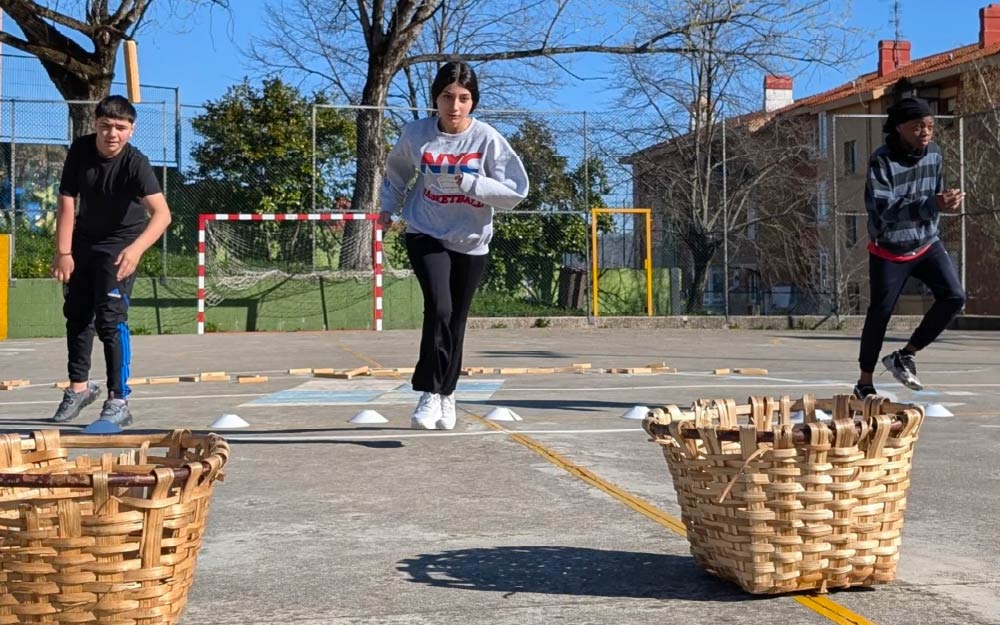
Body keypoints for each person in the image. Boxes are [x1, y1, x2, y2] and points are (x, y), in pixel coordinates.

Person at [379, 61, 529, 429]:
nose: (455, 106)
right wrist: (387, 207)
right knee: (440, 309)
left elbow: (515, 192)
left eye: (463, 98)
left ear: (473, 102)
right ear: (436, 98)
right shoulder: (417, 134)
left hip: (471, 239)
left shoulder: (487, 139)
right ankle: (430, 394)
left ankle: (448, 394)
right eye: (447, 97)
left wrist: (473, 184)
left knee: (456, 320)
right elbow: (397, 171)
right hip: (424, 229)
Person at [50, 96, 172, 426]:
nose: (112, 134)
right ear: (95, 125)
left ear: (131, 130)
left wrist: (136, 250)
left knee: (109, 320)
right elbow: (66, 202)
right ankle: (78, 388)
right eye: (105, 126)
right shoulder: (80, 151)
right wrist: (64, 252)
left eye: (120, 128)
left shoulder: (136, 163)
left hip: (121, 246)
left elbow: (162, 215)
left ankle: (118, 399)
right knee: (76, 315)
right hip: (85, 241)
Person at [854, 97, 966, 399]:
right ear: (900, 128)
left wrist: (947, 201)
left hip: (926, 241)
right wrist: (931, 204)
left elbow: (935, 197)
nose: (925, 132)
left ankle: (905, 355)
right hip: (889, 248)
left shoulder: (935, 155)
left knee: (954, 296)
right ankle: (864, 382)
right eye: (918, 127)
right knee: (881, 311)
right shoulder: (882, 160)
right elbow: (883, 208)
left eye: (930, 126)